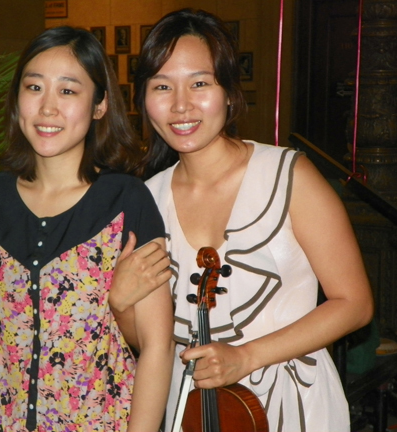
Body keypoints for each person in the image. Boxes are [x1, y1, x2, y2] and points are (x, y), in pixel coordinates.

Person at [110, 8, 374, 432]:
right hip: (195, 411)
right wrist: (122, 306)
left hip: (295, 403)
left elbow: (355, 304)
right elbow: (155, 344)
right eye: (162, 86)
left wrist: (246, 357)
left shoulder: (290, 175)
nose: (181, 105)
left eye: (199, 83)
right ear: (143, 99)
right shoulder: (146, 200)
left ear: (230, 92)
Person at [0, 26, 174, 432]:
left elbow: (158, 346)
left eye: (68, 91)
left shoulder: (126, 200)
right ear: (17, 99)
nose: (47, 108)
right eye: (34, 87)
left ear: (100, 105)